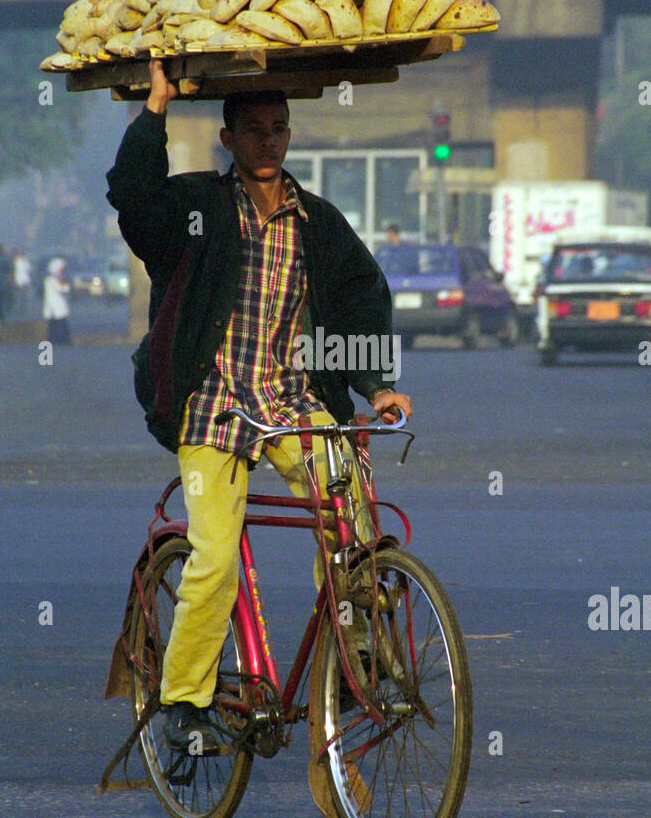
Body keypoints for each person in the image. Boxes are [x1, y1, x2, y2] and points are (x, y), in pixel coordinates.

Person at [106, 59, 412, 754]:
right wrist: (155, 108)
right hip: (211, 408)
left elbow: (361, 298)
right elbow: (131, 196)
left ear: (289, 134)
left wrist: (375, 386)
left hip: (290, 399)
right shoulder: (197, 210)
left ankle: (355, 657)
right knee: (214, 555)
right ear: (228, 137)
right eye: (253, 130)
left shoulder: (319, 223)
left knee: (352, 515)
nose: (267, 141)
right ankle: (184, 702)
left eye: (278, 129)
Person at [42, 257, 71, 344]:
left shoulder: (54, 279)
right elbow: (63, 289)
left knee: (59, 325)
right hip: (55, 308)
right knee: (57, 326)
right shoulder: (52, 279)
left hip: (58, 307)